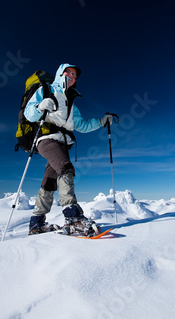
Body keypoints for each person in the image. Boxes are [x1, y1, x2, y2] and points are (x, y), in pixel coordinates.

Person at [24, 63, 113, 235]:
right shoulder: (46, 90)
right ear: (60, 73)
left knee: (50, 181)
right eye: (69, 72)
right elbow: (29, 113)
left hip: (62, 144)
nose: (72, 76)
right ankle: (73, 218)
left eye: (75, 75)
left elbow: (82, 125)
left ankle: (36, 223)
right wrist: (40, 106)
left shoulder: (72, 104)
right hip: (46, 139)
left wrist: (101, 122)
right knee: (65, 168)